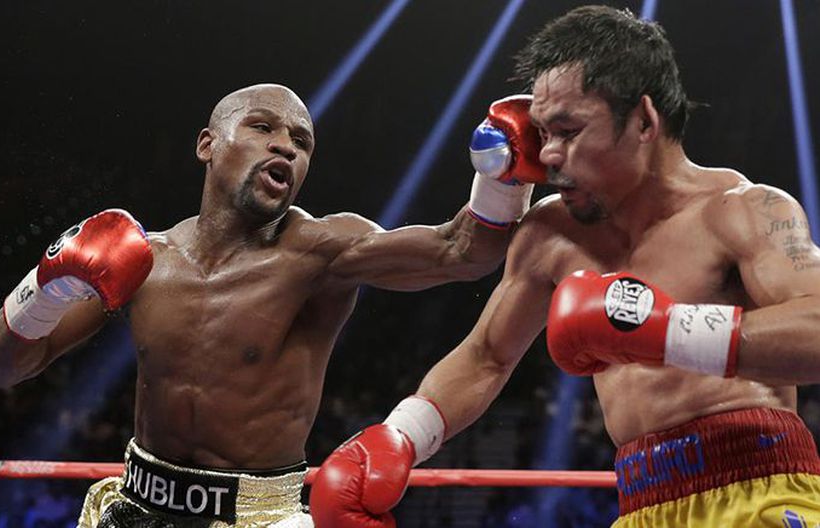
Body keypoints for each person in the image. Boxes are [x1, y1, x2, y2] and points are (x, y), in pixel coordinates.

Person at [310, 6, 820, 527]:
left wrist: (667, 331)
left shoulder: (742, 210)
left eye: (568, 131)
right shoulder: (551, 233)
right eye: (541, 133)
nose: (549, 155)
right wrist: (401, 435)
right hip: (642, 503)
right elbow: (486, 357)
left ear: (644, 121)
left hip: (761, 486)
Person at [0, 83, 542, 527]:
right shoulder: (145, 260)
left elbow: (461, 251)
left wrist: (504, 174)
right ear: (208, 145)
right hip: (135, 504)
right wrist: (46, 286)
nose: (285, 146)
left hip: (257, 516)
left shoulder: (321, 252)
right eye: (263, 127)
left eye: (302, 142)